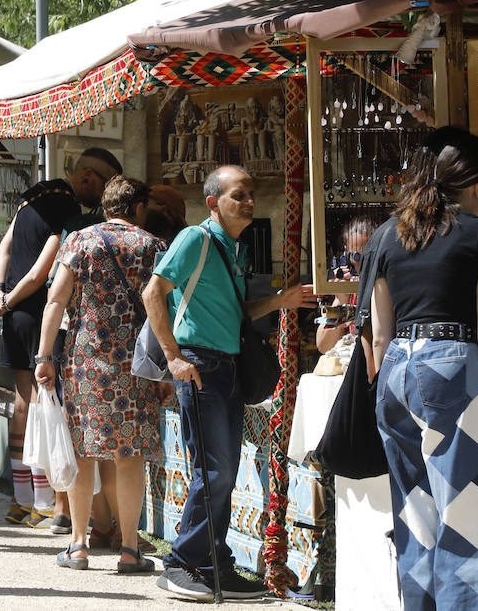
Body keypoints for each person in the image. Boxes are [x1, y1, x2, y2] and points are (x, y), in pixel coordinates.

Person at [141, 165, 316, 600]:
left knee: (225, 470)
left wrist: (282, 300)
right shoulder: (194, 239)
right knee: (214, 470)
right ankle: (184, 562)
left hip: (226, 367)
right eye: (240, 194)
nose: (251, 202)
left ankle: (213, 563)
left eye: (252, 193)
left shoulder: (232, 249)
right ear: (214, 202)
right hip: (200, 366)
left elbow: (235, 314)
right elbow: (152, 294)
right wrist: (174, 358)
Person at [366, 129, 478, 609]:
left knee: (415, 512)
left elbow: (380, 336)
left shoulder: (388, 234)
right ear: (476, 188)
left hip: (394, 374)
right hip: (451, 369)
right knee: (467, 516)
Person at [0, 148, 120, 530]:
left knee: (23, 401)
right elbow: (45, 268)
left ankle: (21, 500)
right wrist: (12, 298)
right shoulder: (64, 207)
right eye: (105, 183)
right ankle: (50, 503)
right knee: (50, 403)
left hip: (14, 311)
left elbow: (6, 245)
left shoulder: (34, 196)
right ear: (88, 177)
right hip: (40, 312)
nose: (105, 193)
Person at [34, 176, 165, 572]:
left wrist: (43, 356)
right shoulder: (153, 246)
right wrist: (168, 371)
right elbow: (164, 309)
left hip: (85, 362)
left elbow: (55, 300)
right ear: (139, 208)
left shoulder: (79, 241)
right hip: (137, 367)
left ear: (106, 206)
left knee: (83, 451)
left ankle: (78, 545)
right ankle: (129, 549)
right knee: (129, 457)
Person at [316, 215, 379, 355]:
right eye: (354, 256)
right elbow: (323, 346)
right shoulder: (350, 286)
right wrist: (341, 301)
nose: (359, 264)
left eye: (366, 257)